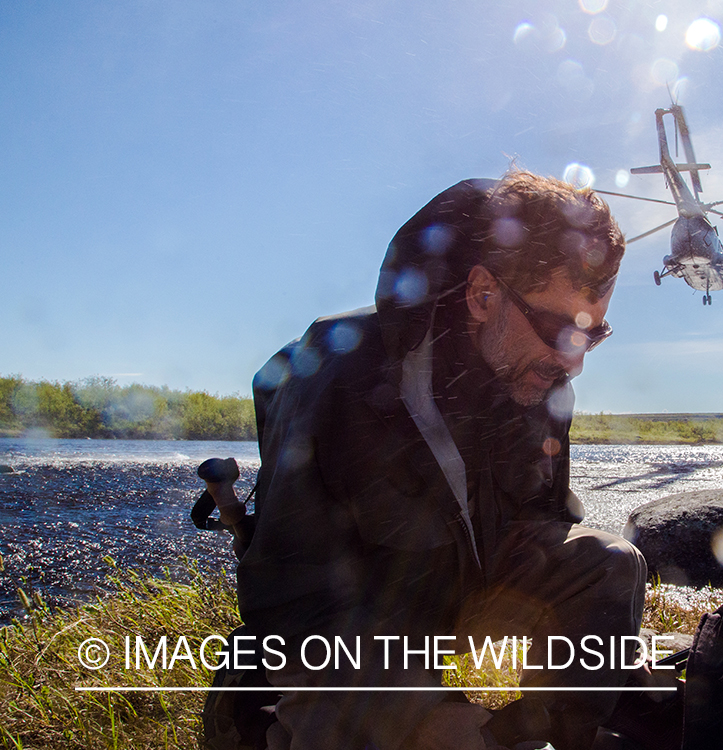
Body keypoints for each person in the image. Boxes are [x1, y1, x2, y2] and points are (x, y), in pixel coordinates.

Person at [237, 172, 648, 750]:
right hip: (354, 635)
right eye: (558, 329)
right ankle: (278, 730)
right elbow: (291, 598)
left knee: (609, 562)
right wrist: (425, 711)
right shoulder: (340, 373)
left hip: (464, 594)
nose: (574, 363)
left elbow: (545, 520)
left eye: (592, 335)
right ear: (483, 294)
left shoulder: (540, 380)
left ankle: (555, 736)